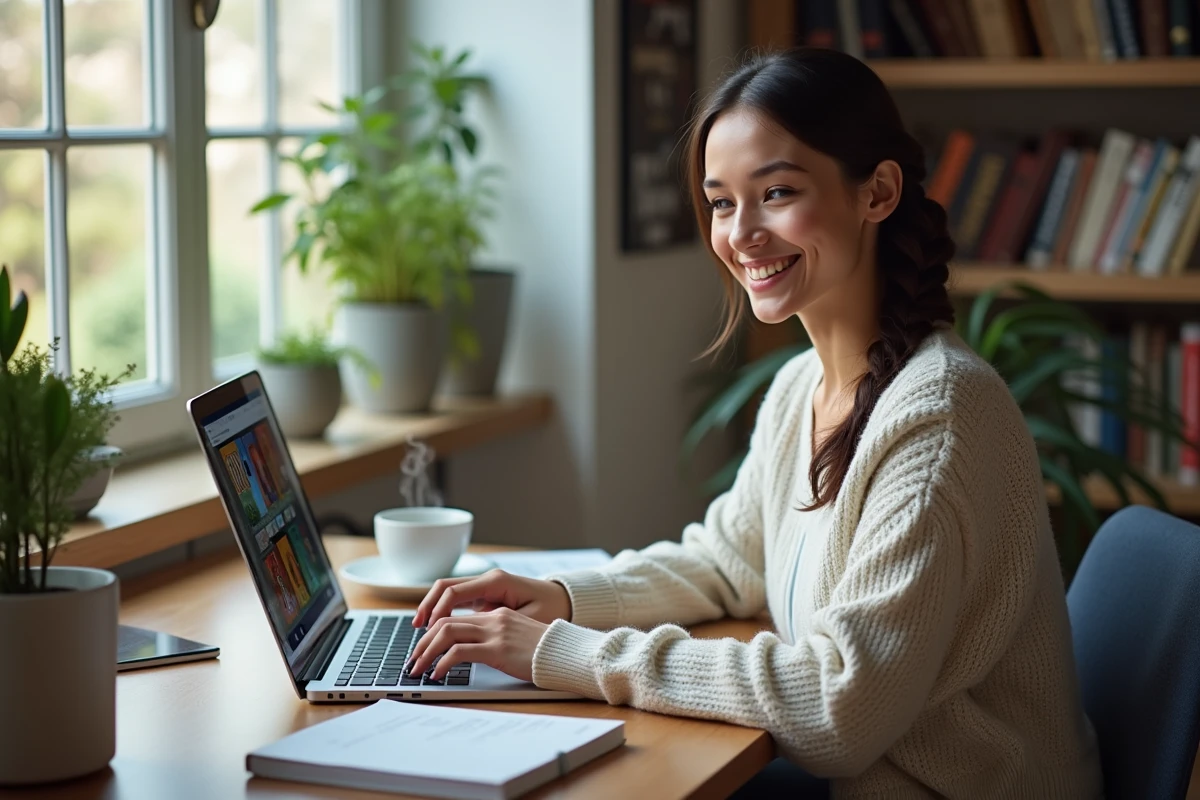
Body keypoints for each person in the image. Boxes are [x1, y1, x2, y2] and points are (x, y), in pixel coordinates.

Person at [405, 47, 1104, 798]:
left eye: (776, 192)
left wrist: (566, 652)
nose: (741, 234)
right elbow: (729, 563)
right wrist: (563, 599)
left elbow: (839, 708)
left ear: (878, 192)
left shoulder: (937, 421)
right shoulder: (802, 385)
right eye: (721, 202)